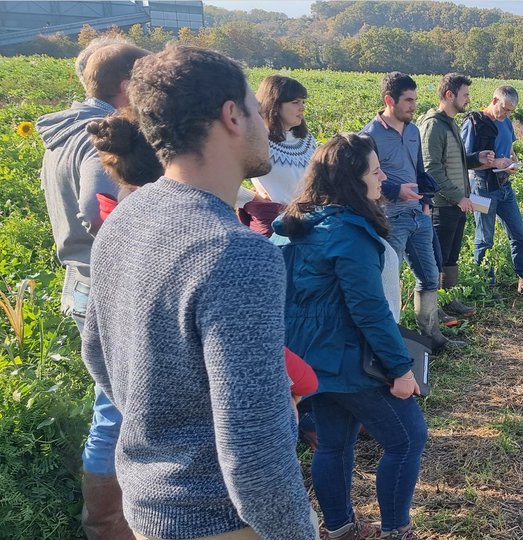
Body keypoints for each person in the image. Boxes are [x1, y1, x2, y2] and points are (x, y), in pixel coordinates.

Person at [81, 45, 316, 539]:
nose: (262, 122)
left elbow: (98, 356)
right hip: (222, 520)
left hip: (150, 508)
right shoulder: (237, 254)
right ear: (231, 115)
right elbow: (254, 451)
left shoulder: (125, 218)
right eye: (255, 108)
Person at [273, 133, 426, 540]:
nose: (381, 178)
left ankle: (339, 528)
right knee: (408, 439)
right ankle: (397, 531)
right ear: (350, 181)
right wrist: (400, 369)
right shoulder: (347, 232)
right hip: (349, 359)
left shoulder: (297, 225)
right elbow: (370, 311)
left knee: (332, 444)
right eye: (374, 171)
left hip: (310, 360)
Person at [36, 40, 148, 540]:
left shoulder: (62, 132)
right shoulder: (96, 136)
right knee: (116, 409)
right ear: (127, 86)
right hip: (104, 282)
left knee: (113, 403)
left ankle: (111, 520)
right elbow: (97, 203)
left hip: (79, 278)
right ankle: (107, 525)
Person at [361, 72, 462, 351]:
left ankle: (431, 339)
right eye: (407, 100)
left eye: (415, 100)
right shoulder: (368, 136)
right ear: (388, 100)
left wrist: (426, 200)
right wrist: (395, 191)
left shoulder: (414, 131)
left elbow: (420, 172)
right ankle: (390, 344)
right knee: (388, 284)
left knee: (430, 277)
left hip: (419, 214)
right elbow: (361, 180)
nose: (413, 106)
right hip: (390, 218)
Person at [462, 85, 523, 297]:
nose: (506, 114)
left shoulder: (507, 123)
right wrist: (493, 163)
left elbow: (510, 151)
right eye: (504, 109)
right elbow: (463, 160)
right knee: (485, 238)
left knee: (519, 232)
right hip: (481, 187)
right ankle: (486, 286)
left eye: (511, 111)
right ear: (494, 100)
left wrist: (511, 164)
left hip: (504, 186)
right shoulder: (474, 123)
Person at [419, 73, 495, 316]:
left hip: (457, 203)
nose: (468, 99)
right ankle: (433, 310)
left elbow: (454, 162)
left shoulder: (450, 123)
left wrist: (476, 159)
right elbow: (432, 169)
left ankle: (448, 301)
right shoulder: (433, 125)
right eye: (465, 95)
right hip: (442, 205)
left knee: (450, 257)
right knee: (437, 259)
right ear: (449, 95)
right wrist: (458, 196)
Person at [242, 75, 319, 235]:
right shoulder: (257, 140)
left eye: (303, 102)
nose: (302, 108)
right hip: (273, 224)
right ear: (275, 105)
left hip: (308, 222)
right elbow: (221, 176)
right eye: (295, 102)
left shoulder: (306, 140)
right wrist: (253, 198)